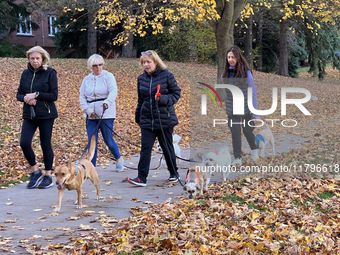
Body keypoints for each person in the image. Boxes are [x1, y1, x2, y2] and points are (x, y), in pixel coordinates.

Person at [128, 50, 181, 187]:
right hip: (147, 119)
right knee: (145, 148)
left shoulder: (167, 76)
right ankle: (141, 178)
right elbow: (141, 99)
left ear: (156, 62)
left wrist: (162, 98)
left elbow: (176, 94)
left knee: (166, 147)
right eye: (144, 62)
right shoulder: (141, 78)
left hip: (164, 119)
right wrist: (138, 116)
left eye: (148, 62)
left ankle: (174, 173)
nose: (146, 65)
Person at [16, 46, 58, 189]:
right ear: (29, 59)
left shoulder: (50, 73)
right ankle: (34, 171)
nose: (35, 61)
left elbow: (54, 96)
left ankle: (47, 175)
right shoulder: (25, 74)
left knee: (45, 144)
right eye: (32, 58)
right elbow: (19, 94)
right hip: (30, 114)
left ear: (43, 59)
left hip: (46, 114)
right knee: (24, 142)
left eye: (37, 58)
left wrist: (37, 95)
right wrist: (26, 98)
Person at [79, 54, 124, 171]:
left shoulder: (108, 76)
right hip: (91, 115)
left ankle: (118, 158)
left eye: (100, 65)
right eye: (95, 65)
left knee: (108, 140)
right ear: (90, 67)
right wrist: (88, 110)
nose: (98, 68)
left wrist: (107, 102)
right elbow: (82, 96)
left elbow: (113, 91)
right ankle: (91, 167)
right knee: (92, 141)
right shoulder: (86, 79)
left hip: (106, 114)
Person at [222, 45, 259, 166]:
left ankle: (254, 151)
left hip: (247, 108)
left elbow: (252, 92)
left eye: (232, 57)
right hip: (233, 110)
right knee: (235, 132)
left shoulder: (246, 73)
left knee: (248, 131)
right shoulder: (225, 75)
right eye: (228, 57)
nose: (230, 59)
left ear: (238, 57)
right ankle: (237, 158)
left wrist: (255, 113)